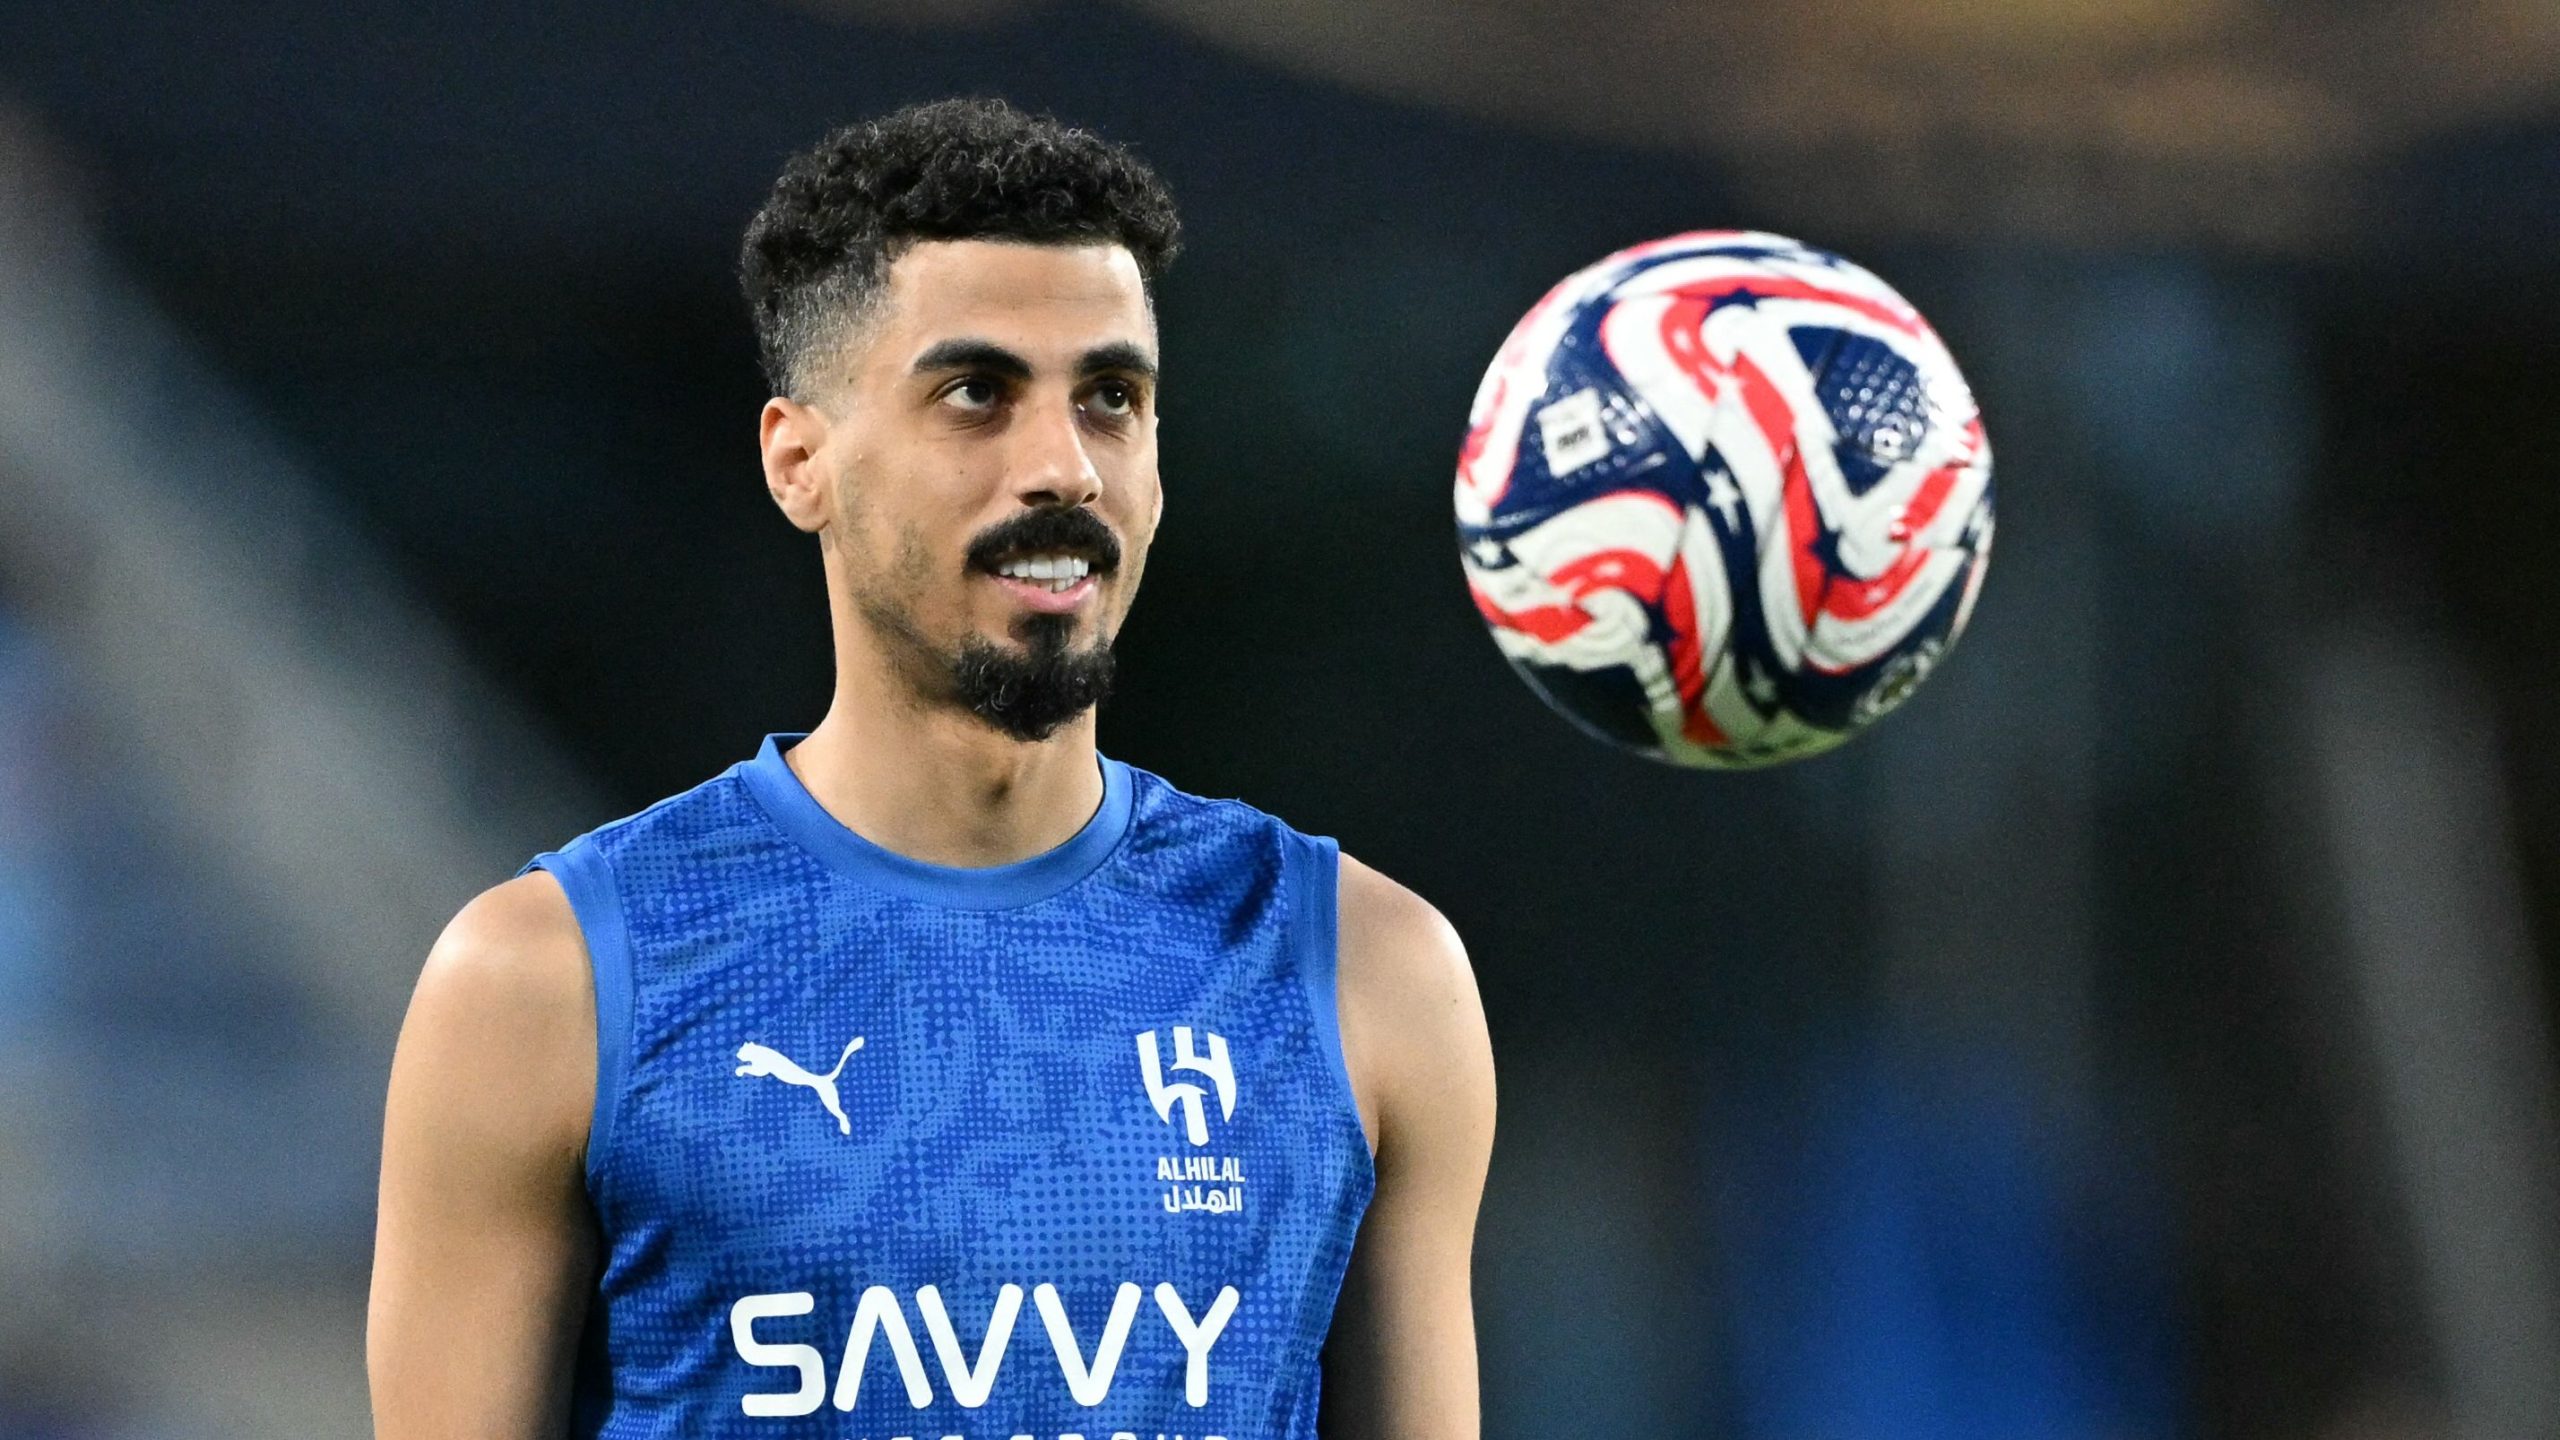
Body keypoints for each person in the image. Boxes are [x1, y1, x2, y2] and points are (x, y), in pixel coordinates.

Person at [367, 98, 1495, 1440]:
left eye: (1112, 399)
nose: (1062, 467)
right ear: (800, 461)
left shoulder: (1362, 970)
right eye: (977, 395)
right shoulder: (545, 983)